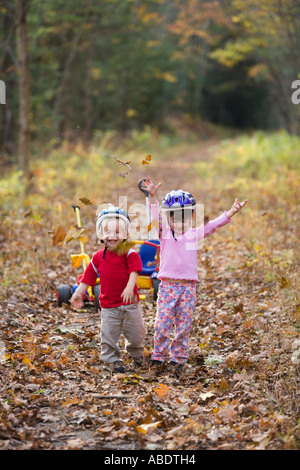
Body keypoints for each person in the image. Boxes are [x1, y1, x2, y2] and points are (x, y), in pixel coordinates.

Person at [141, 177, 247, 374]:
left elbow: (213, 225)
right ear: (168, 217)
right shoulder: (164, 234)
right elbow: (154, 218)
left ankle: (178, 358)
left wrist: (231, 213)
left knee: (183, 324)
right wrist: (152, 196)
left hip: (188, 287)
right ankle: (158, 355)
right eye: (174, 218)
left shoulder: (193, 234)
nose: (179, 222)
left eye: (184, 218)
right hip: (167, 286)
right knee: (162, 323)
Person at [70, 206, 146, 373]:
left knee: (136, 333)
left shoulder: (129, 252)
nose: (112, 236)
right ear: (101, 234)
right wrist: (78, 293)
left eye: (117, 232)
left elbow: (134, 271)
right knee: (108, 334)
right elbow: (88, 278)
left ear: (126, 234)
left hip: (129, 303)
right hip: (109, 305)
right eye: (107, 231)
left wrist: (128, 287)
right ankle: (111, 359)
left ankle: (136, 354)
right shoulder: (98, 257)